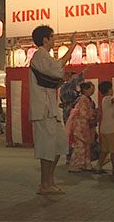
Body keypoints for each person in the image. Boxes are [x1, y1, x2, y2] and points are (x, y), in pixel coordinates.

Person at [29, 25, 76, 195]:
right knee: (47, 148)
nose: (54, 40)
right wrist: (72, 46)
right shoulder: (39, 55)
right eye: (52, 37)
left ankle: (49, 181)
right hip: (43, 110)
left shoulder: (44, 57)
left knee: (59, 145)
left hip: (51, 109)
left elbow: (54, 73)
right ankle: (45, 184)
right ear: (45, 40)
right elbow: (57, 70)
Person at [66, 82, 96, 172]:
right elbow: (83, 113)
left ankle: (86, 164)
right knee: (80, 145)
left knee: (86, 145)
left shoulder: (85, 99)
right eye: (92, 89)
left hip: (85, 124)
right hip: (81, 124)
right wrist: (92, 114)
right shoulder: (83, 99)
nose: (93, 91)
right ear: (85, 90)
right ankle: (75, 165)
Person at [96, 81, 114, 174]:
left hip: (104, 128)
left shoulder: (104, 100)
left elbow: (112, 111)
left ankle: (99, 166)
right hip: (111, 129)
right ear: (109, 90)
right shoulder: (108, 98)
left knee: (105, 150)